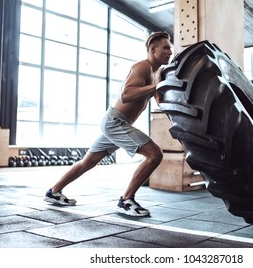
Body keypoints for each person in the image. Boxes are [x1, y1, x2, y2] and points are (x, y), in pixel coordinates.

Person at [44, 32, 173, 217]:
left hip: (117, 123)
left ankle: (54, 192)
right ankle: (126, 200)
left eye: (171, 48)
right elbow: (126, 94)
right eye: (166, 47)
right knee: (155, 154)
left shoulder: (156, 73)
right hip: (116, 122)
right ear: (153, 49)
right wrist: (158, 86)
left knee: (88, 162)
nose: (170, 51)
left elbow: (160, 100)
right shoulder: (142, 67)